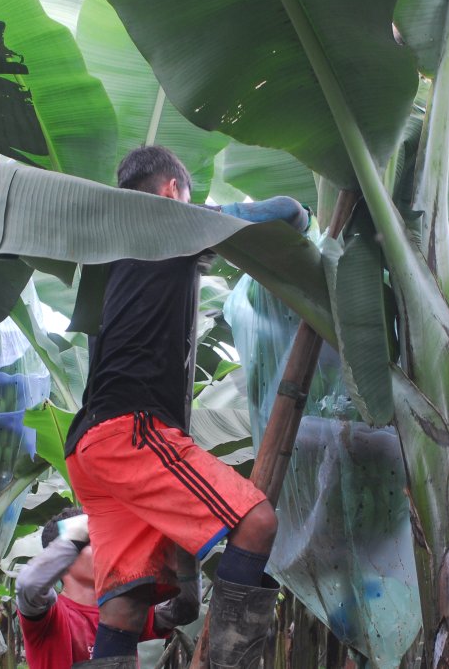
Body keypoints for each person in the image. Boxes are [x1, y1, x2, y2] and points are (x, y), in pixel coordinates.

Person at [64, 145, 308, 668]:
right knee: (257, 521)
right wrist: (305, 222)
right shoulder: (168, 220)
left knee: (124, 607)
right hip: (128, 429)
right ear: (173, 191)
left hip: (87, 448)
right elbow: (284, 210)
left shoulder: (119, 253)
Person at [16, 507, 200, 668]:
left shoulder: (124, 608)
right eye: (91, 541)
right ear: (63, 557)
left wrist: (184, 538)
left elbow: (183, 609)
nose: (103, 548)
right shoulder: (52, 616)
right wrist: (88, 522)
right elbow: (29, 584)